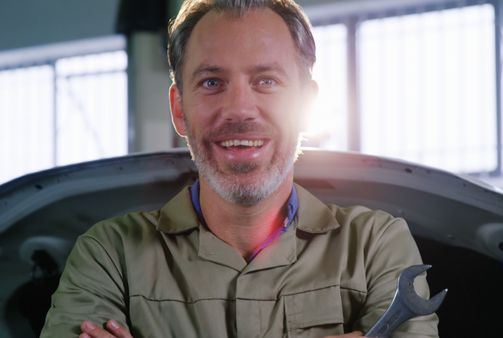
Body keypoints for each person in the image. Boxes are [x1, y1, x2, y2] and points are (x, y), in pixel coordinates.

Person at [40, 0, 440, 337]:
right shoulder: (109, 255)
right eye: (212, 83)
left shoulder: (376, 245)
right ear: (179, 109)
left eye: (266, 81)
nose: (239, 111)